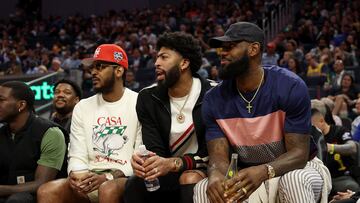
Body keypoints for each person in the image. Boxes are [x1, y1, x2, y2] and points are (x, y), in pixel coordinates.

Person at [193, 22, 331, 203]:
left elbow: (299, 155)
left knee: (294, 180)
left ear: (253, 49)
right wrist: (215, 174)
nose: (222, 53)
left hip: (297, 168)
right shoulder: (214, 99)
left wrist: (265, 171)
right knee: (205, 188)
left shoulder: (289, 86)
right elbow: (218, 158)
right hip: (247, 172)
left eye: (230, 47)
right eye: (222, 48)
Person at [37, 44, 142, 203]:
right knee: (47, 191)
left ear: (119, 71)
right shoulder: (82, 106)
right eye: (92, 67)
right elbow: (77, 153)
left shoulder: (140, 102)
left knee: (108, 189)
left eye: (100, 67)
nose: (93, 72)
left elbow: (141, 156)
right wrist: (78, 175)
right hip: (90, 176)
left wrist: (108, 176)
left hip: (126, 176)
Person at [125, 32, 215, 203]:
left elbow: (215, 152)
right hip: (168, 172)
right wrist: (147, 162)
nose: (156, 63)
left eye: (164, 57)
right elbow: (155, 149)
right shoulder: (147, 97)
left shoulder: (213, 93)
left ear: (184, 63)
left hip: (208, 168)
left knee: (189, 178)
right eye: (156, 58)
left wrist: (176, 163)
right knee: (135, 184)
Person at [0, 81, 66, 203]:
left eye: (1, 100)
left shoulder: (51, 133)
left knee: (18, 201)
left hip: (38, 196)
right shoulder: (3, 133)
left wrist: (3, 190)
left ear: (21, 105)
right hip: (6, 193)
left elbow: (42, 184)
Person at [311, 108, 360, 194]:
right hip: (320, 177)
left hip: (340, 177)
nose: (310, 129)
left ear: (322, 121)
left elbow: (352, 148)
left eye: (312, 126)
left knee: (352, 187)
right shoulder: (312, 137)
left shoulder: (340, 131)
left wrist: (330, 147)